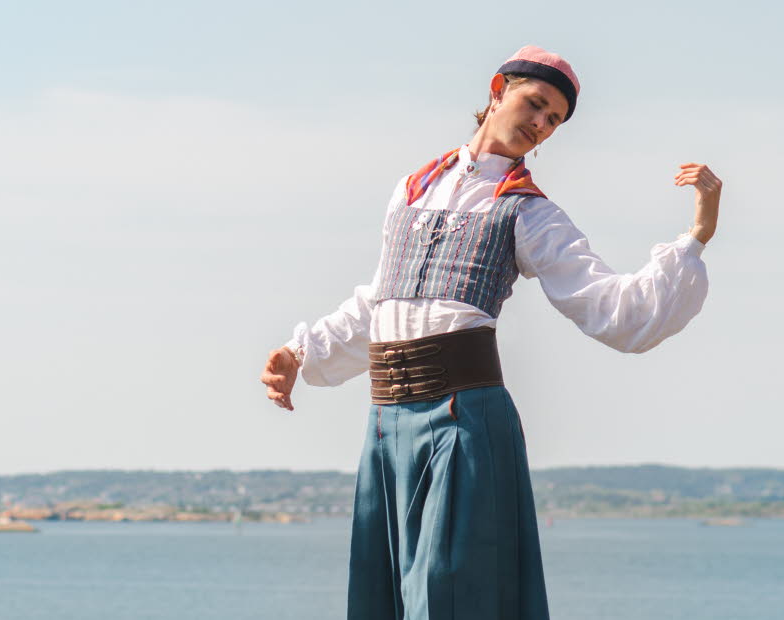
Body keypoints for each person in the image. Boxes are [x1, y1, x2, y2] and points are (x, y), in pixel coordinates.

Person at [259, 45, 722, 619]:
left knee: (450, 597)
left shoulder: (529, 212)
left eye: (554, 120)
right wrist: (300, 352)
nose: (542, 123)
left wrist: (697, 235)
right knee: (382, 596)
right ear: (498, 89)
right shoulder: (411, 190)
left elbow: (613, 309)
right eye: (537, 104)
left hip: (463, 417)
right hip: (386, 423)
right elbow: (381, 299)